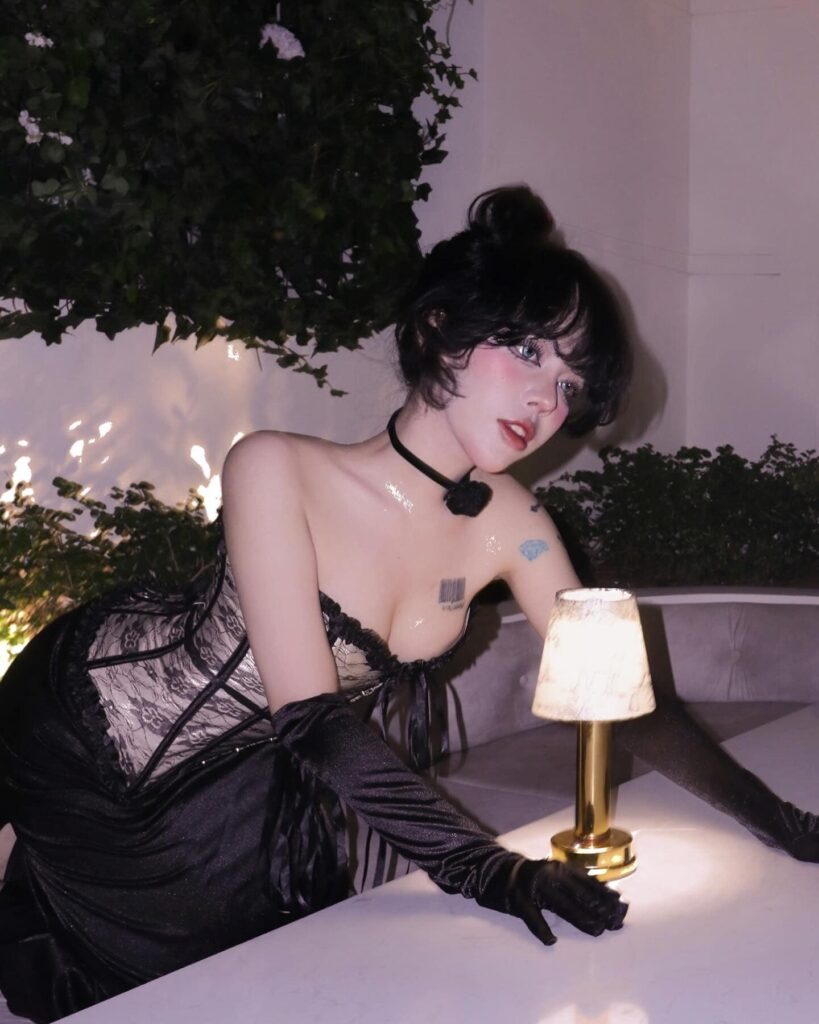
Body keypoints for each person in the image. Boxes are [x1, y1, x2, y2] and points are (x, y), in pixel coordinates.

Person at [0, 186, 815, 1023]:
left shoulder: (515, 524)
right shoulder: (275, 466)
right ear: (437, 330)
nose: (547, 401)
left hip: (242, 775)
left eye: (570, 383)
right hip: (89, 727)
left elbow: (621, 697)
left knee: (255, 976)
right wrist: (489, 870)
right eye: (527, 350)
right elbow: (312, 717)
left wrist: (779, 822)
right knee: (138, 983)